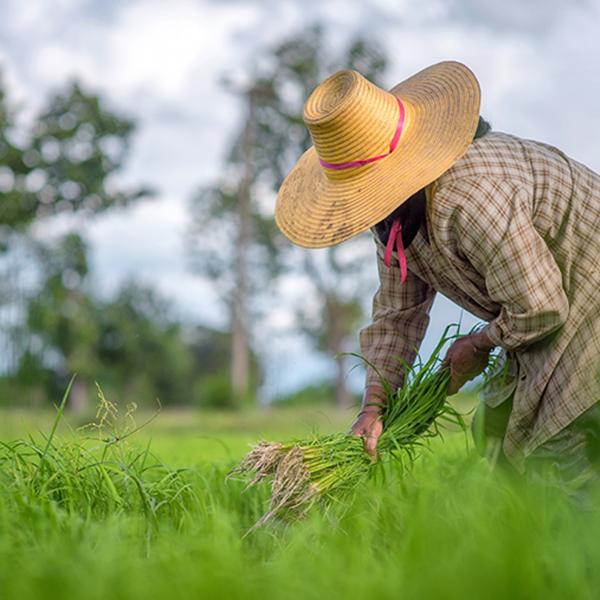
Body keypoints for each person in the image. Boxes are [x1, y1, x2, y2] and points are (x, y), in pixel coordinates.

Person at [274, 61, 600, 491]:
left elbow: (539, 307)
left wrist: (477, 344)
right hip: (552, 309)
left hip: (585, 303)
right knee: (495, 432)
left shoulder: (470, 196)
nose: (365, 209)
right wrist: (373, 407)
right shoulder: (393, 221)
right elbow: (397, 315)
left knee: (562, 451)